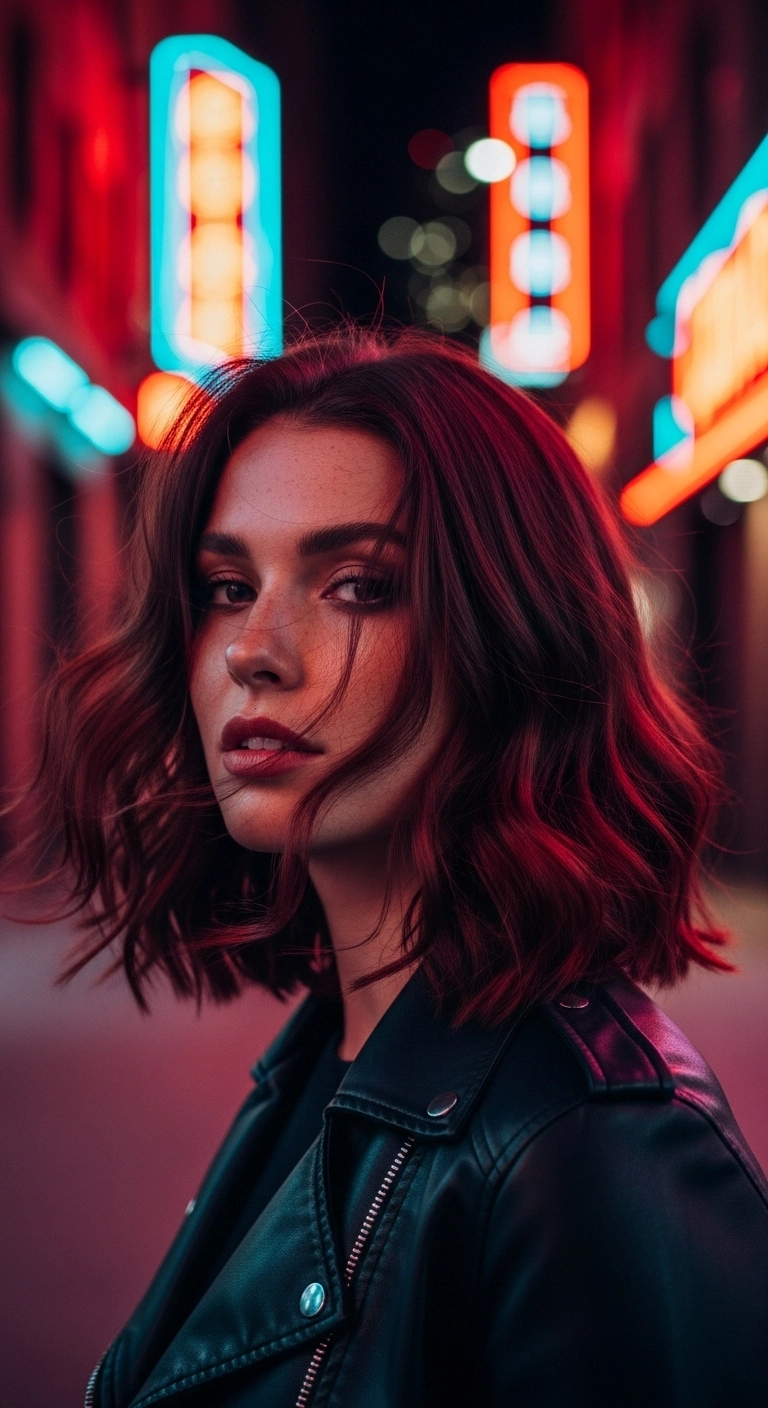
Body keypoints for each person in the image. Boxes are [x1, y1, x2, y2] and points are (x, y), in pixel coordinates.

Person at [25, 330, 768, 1406]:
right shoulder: (333, 1053)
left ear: (514, 640)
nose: (254, 649)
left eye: (361, 586)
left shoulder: (600, 1146)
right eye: (228, 586)